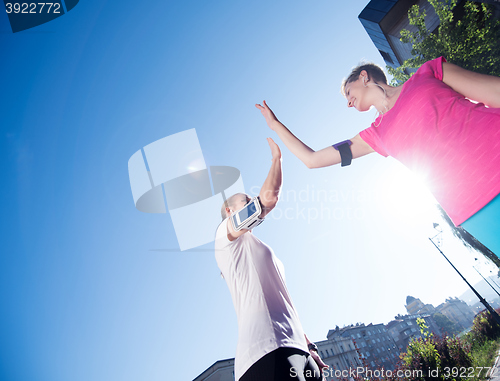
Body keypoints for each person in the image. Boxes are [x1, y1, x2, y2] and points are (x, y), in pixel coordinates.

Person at [256, 57, 500, 255]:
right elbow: (312, 160)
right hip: (473, 207)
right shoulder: (376, 134)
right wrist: (275, 125)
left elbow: (494, 91)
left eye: (348, 92)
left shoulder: (427, 73)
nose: (348, 103)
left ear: (364, 76)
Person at [214, 138, 327, 381]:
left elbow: (285, 304)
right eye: (245, 200)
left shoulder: (260, 248)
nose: (250, 201)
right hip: (265, 351)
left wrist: (309, 347)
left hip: (297, 348)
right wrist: (277, 159)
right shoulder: (224, 237)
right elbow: (266, 202)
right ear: (230, 212)